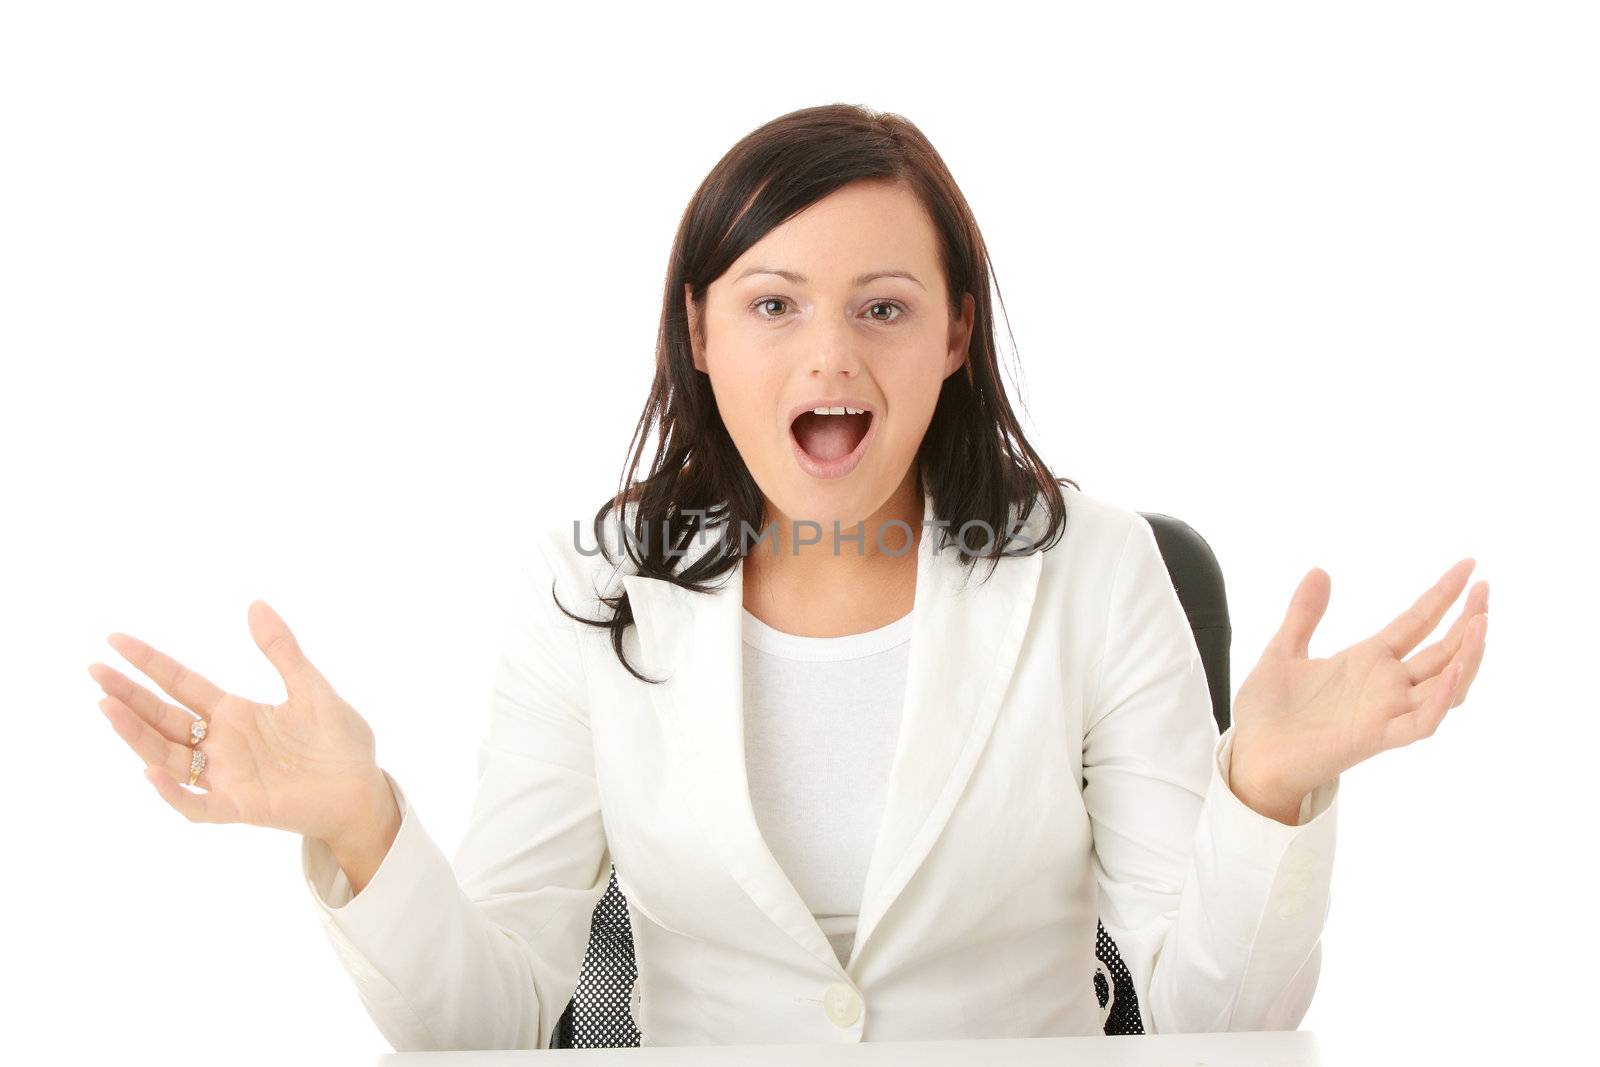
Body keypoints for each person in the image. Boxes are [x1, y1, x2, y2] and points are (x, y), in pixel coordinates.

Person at [88, 103, 1490, 1052]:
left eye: (884, 308)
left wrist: (1266, 791)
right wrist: (363, 826)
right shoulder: (589, 587)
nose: (829, 360)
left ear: (954, 337)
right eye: (773, 306)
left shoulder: (1097, 566)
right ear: (699, 332)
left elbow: (1213, 1019)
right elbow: (490, 1030)